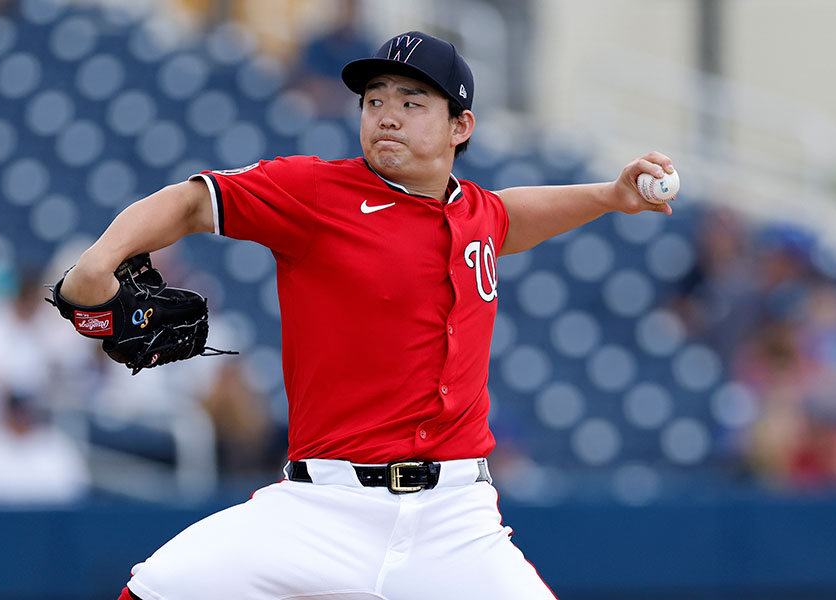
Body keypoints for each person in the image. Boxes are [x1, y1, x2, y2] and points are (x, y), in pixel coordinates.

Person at [58, 31, 675, 600]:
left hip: (456, 520)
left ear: (461, 126)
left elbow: (511, 216)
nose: (386, 114)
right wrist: (97, 264)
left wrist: (609, 196)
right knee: (158, 587)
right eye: (374, 99)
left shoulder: (475, 214)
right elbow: (192, 201)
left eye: (412, 101)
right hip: (322, 508)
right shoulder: (317, 194)